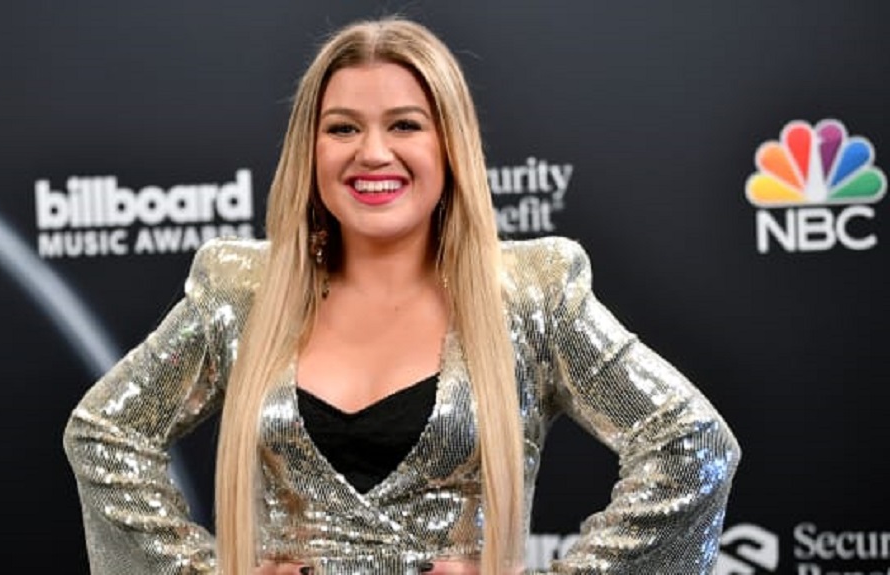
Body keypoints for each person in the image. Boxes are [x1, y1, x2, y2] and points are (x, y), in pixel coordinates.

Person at [63, 16, 740, 575]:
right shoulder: (240, 292)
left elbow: (692, 447)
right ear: (310, 151)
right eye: (342, 128)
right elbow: (105, 432)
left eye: (405, 125)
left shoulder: (534, 294)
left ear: (450, 145)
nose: (373, 153)